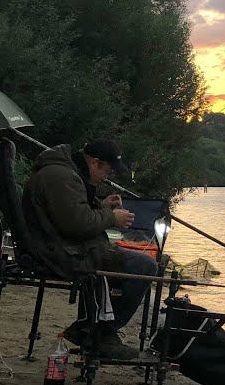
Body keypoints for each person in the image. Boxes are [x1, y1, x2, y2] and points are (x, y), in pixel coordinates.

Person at [22, 139, 156, 359]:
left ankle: (91, 327)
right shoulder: (61, 176)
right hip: (62, 253)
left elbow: (70, 214)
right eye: (108, 171)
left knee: (133, 263)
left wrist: (101, 207)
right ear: (94, 162)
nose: (107, 177)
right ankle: (101, 332)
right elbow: (77, 226)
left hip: (64, 246)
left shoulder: (66, 174)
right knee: (144, 266)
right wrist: (111, 217)